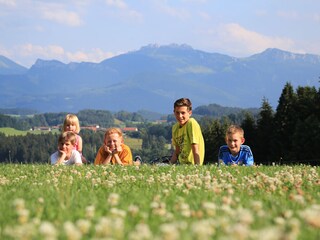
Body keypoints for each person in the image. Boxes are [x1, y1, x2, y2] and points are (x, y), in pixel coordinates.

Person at [169, 98, 205, 165]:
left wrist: (197, 167)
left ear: (190, 113)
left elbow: (195, 147)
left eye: (183, 113)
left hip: (193, 165)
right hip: (182, 165)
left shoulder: (191, 123)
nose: (180, 116)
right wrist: (169, 165)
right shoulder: (175, 128)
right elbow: (177, 151)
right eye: (177, 113)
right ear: (174, 113)